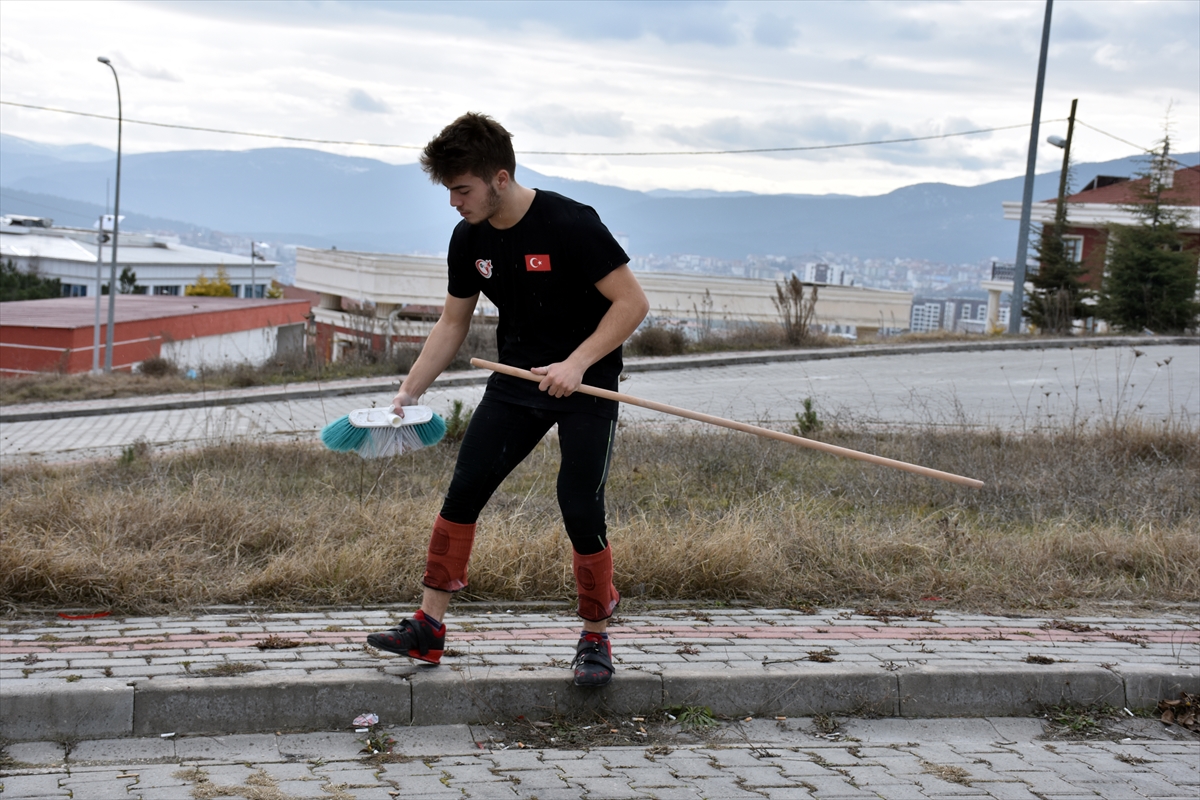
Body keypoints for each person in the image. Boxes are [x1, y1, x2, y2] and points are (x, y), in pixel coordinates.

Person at [367, 112, 649, 687]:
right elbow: (452, 322)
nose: (454, 202)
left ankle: (596, 635)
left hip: (585, 386)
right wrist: (408, 391)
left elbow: (632, 304)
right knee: (464, 490)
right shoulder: (468, 237)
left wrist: (576, 363)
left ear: (500, 177)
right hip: (515, 381)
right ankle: (428, 627)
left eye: (462, 189)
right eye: (448, 191)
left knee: (578, 505)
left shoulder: (571, 222)